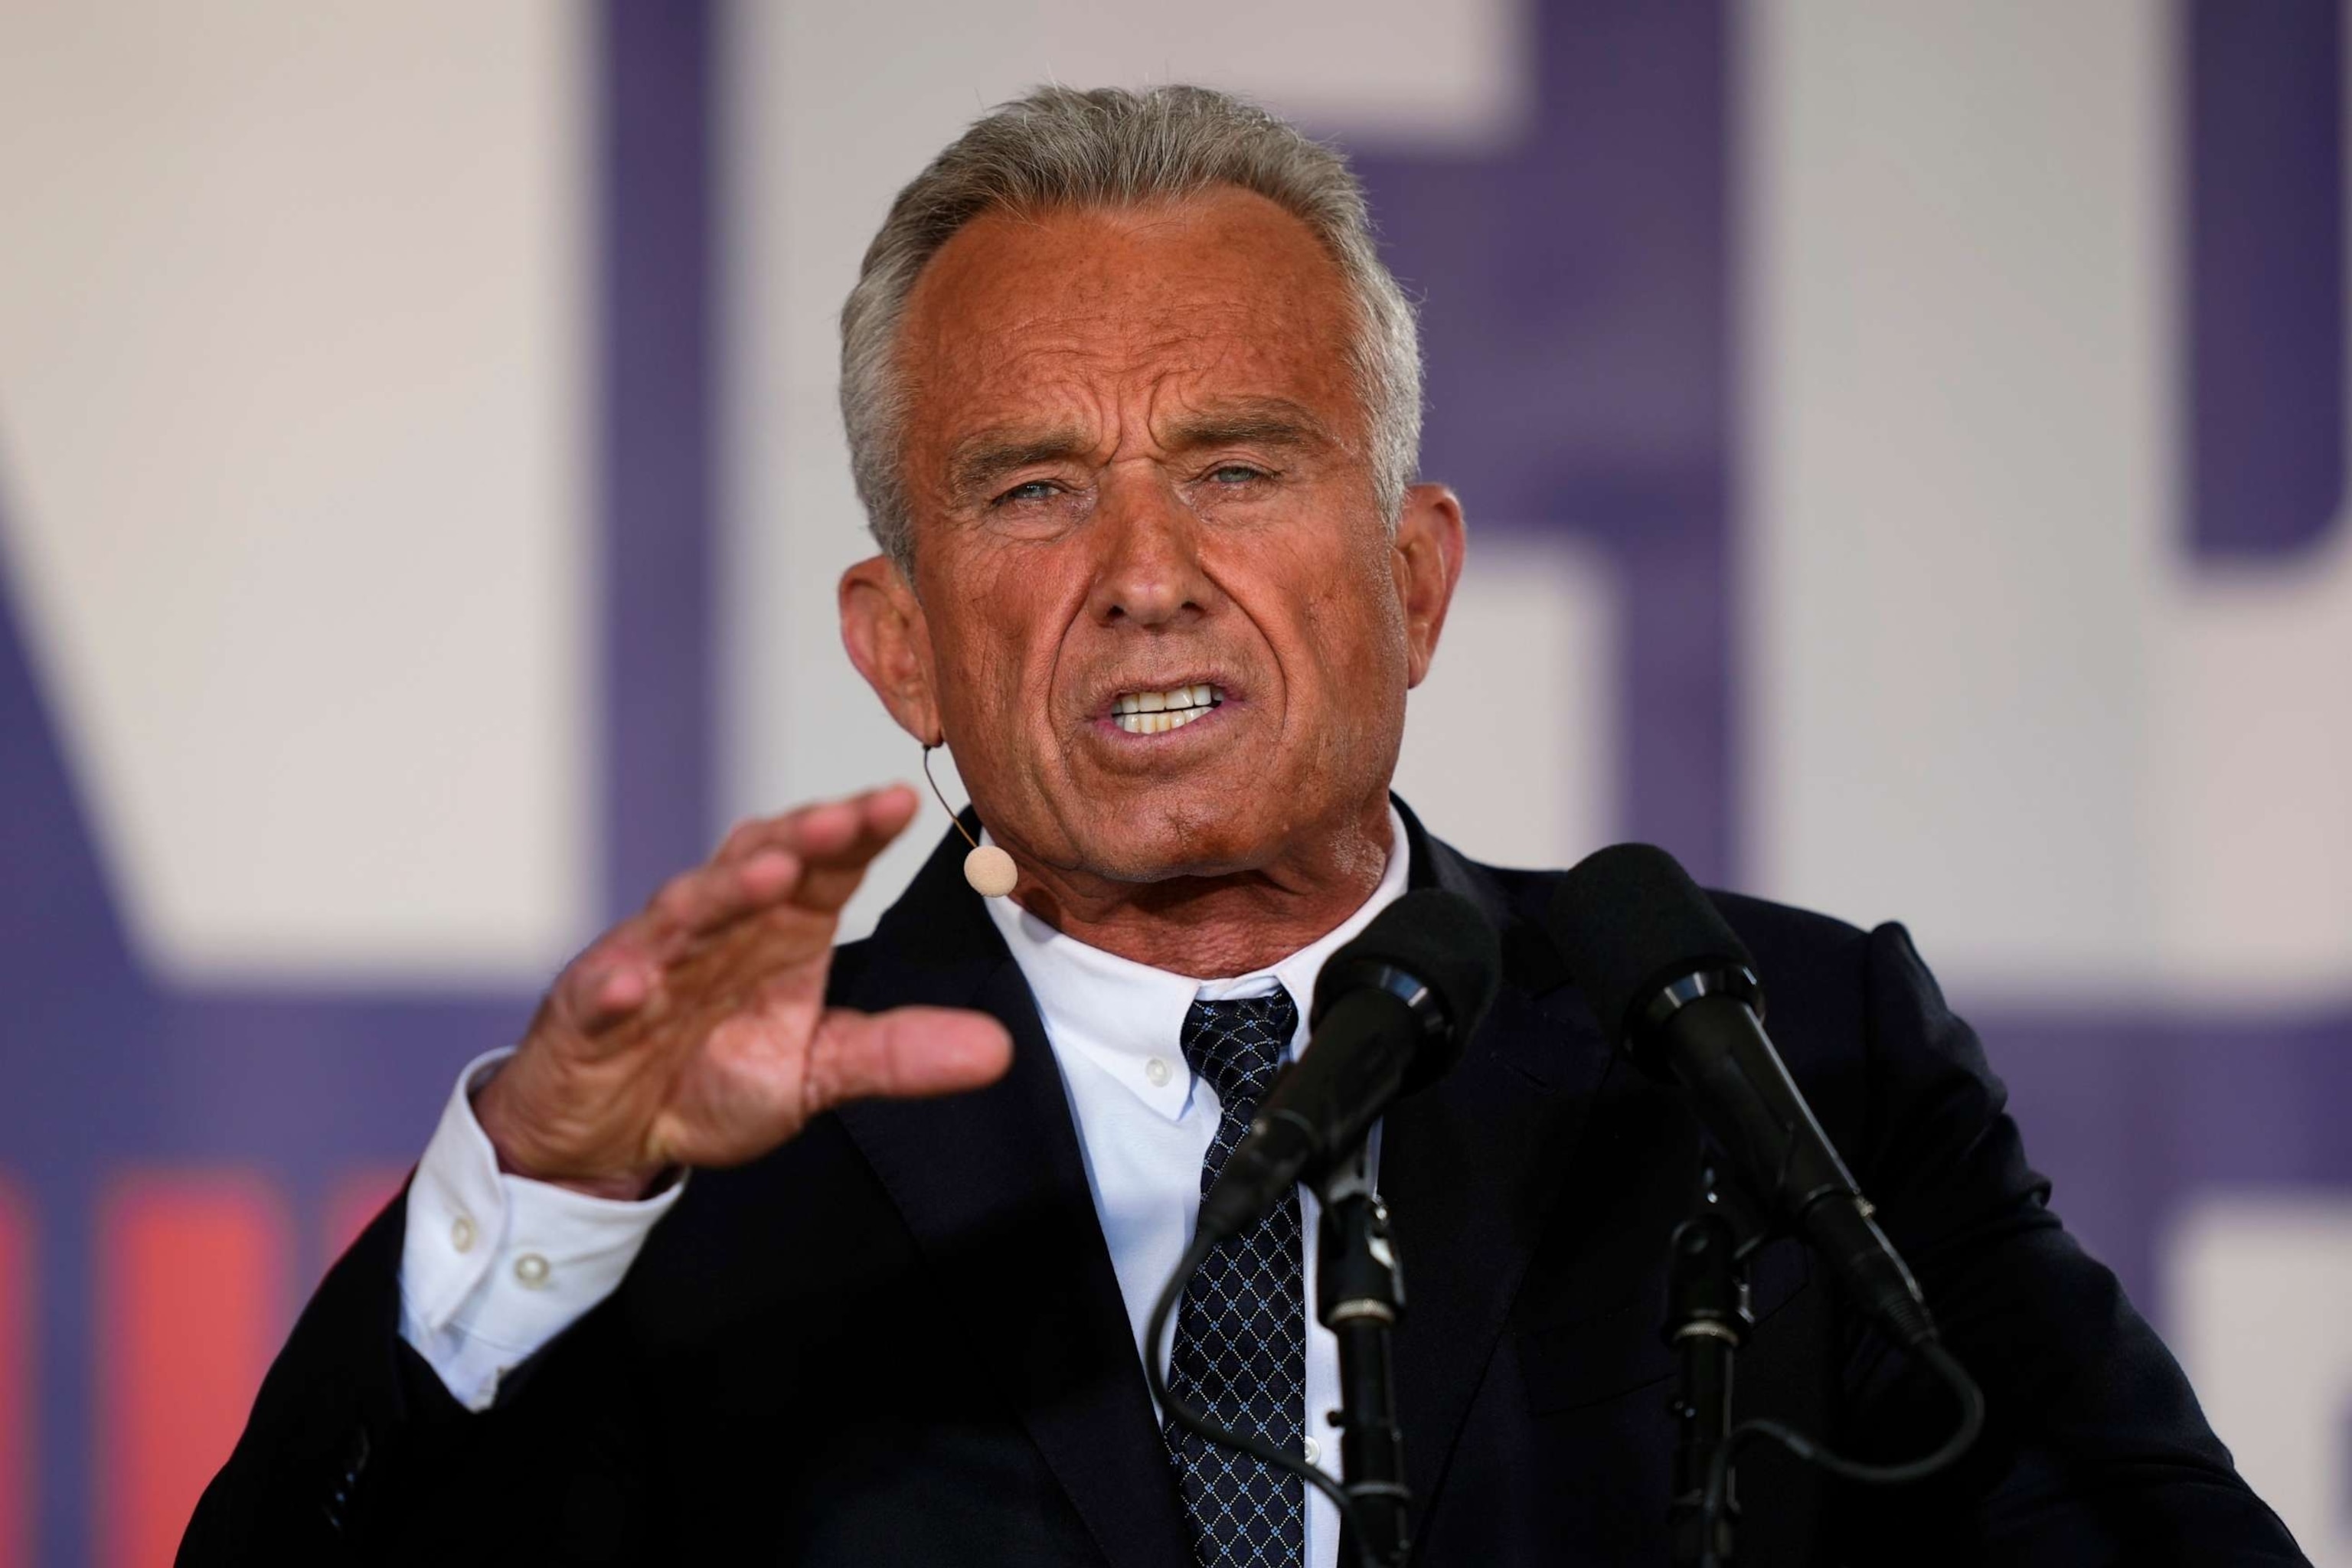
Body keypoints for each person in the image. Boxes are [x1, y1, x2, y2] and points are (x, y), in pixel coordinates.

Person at [181, 85, 2303, 1567]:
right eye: (1032, 490)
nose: (1144, 572)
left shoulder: (1782, 1056)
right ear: (902, 646)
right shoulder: (698, 1171)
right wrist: (540, 1194)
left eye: (1239, 465)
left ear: (1417, 579)